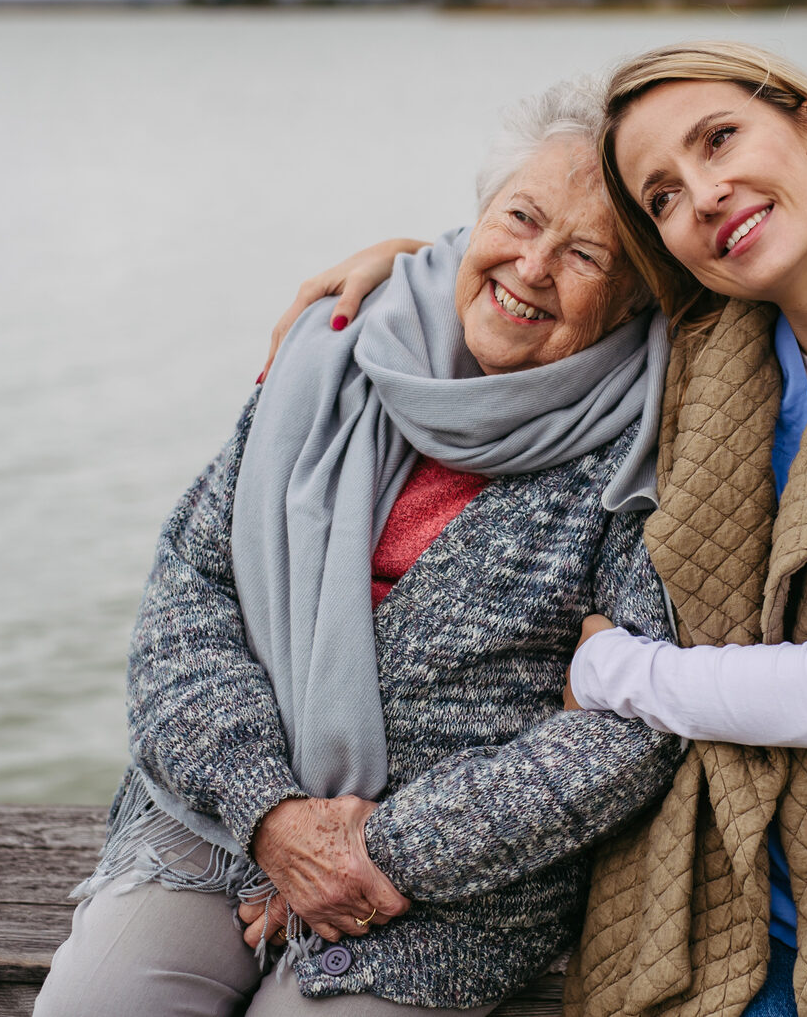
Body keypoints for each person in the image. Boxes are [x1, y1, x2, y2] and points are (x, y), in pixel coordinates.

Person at [274, 42, 807, 1017]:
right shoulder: (714, 348)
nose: (705, 194)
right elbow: (543, 277)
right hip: (713, 889)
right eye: (663, 195)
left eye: (719, 139)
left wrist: (612, 672)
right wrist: (411, 270)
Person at [35, 81, 681, 1017]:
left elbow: (628, 731)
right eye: (519, 217)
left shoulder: (655, 439)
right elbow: (189, 589)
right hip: (221, 820)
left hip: (454, 886)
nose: (532, 266)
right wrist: (272, 816)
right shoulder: (339, 346)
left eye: (584, 253)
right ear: (475, 218)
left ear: (636, 300)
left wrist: (383, 849)